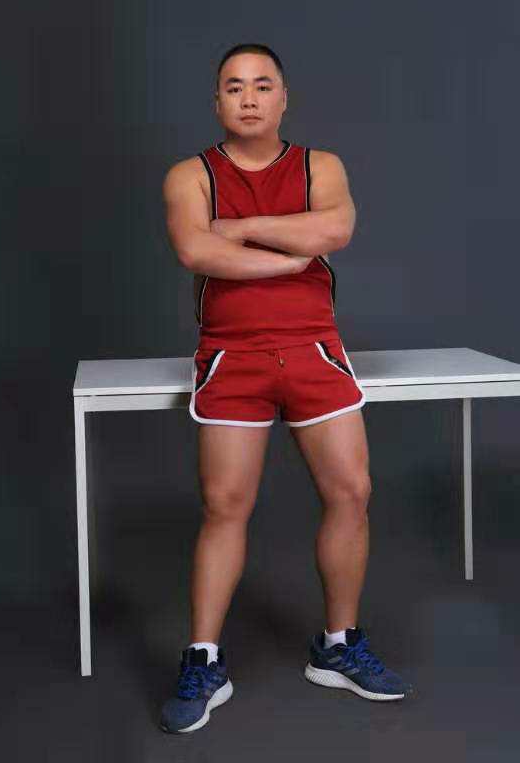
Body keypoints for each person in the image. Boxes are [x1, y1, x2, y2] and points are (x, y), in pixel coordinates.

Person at [159, 43, 411, 733]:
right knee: (225, 505)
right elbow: (194, 249)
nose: (248, 97)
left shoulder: (319, 166)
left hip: (313, 350)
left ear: (283, 97)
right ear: (217, 102)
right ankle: (203, 660)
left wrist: (243, 231)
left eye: (262, 85)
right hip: (231, 355)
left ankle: (338, 647)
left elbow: (337, 227)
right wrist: (291, 257)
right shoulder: (191, 174)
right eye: (234, 86)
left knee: (351, 491)